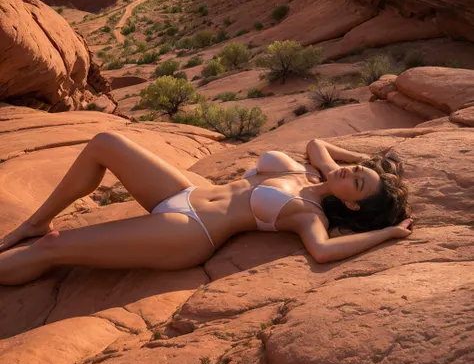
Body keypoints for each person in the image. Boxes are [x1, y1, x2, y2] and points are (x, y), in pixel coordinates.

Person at [0, 132, 413, 285]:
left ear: (351, 203)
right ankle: (36, 220)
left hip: (189, 229)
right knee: (105, 143)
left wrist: (388, 232)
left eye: (357, 180)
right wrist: (369, 158)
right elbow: (317, 143)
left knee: (54, 248)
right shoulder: (318, 171)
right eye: (358, 169)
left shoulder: (310, 213)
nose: (351, 171)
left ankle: (39, 238)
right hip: (186, 191)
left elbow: (322, 252)